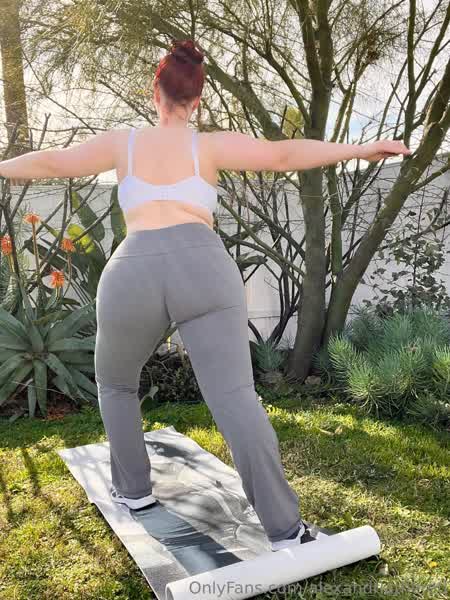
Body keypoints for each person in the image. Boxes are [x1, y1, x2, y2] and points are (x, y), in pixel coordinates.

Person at [0, 39, 412, 551]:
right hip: (204, 265)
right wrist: (361, 149)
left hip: (133, 270)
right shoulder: (209, 146)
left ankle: (134, 494)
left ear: (154, 91)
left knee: (116, 384)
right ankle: (285, 531)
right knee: (235, 396)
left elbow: (53, 162)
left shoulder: (123, 143)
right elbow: (285, 153)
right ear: (196, 101)